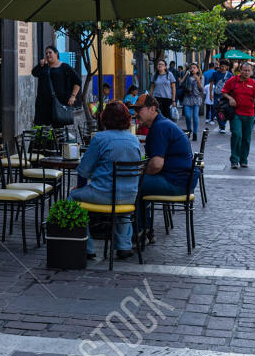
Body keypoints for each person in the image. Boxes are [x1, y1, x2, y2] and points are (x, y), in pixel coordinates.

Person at [69, 101, 143, 263]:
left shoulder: (100, 138)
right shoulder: (134, 140)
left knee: (72, 197)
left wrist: (81, 187)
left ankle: (86, 246)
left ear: (104, 118)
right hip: (130, 197)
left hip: (103, 194)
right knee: (122, 210)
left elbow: (84, 170)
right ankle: (123, 245)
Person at [134, 96, 196, 239]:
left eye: (139, 109)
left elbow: (156, 165)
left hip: (176, 182)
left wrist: (140, 171)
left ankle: (138, 231)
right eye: (135, 110)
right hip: (182, 180)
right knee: (138, 182)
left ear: (152, 109)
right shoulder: (161, 124)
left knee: (131, 184)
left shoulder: (159, 127)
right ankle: (144, 228)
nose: (136, 113)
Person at [31, 45, 81, 128]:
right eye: (46, 53)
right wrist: (40, 64)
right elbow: (34, 73)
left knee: (58, 130)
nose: (48, 55)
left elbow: (78, 81)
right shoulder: (44, 67)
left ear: (56, 54)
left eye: (50, 52)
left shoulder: (64, 67)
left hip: (58, 104)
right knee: (43, 130)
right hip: (43, 105)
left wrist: (73, 96)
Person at [222, 61, 255, 168]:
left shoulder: (253, 83)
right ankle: (234, 159)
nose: (246, 72)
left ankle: (244, 159)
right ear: (240, 70)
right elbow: (224, 91)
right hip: (236, 113)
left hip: (249, 114)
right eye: (244, 70)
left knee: (246, 138)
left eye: (248, 71)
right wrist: (230, 98)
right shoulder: (232, 80)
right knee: (237, 134)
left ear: (251, 71)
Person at [177, 62, 204, 141]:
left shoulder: (201, 77)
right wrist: (186, 74)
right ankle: (189, 130)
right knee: (188, 116)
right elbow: (180, 83)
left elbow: (201, 89)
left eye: (194, 68)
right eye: (191, 68)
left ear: (198, 69)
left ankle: (195, 133)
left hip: (196, 99)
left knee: (195, 116)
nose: (192, 69)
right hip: (187, 98)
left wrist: (198, 80)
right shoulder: (187, 76)